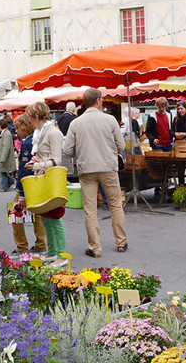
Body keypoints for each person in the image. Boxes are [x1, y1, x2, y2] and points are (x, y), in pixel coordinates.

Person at [64, 88, 128, 258]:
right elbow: (121, 146)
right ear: (99, 100)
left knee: (90, 209)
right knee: (115, 204)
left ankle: (95, 247)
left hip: (87, 169)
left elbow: (67, 150)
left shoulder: (76, 123)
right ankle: (121, 242)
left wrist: (81, 150)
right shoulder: (110, 120)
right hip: (108, 167)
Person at [25, 101, 68, 267]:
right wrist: (37, 161)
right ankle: (52, 251)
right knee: (47, 218)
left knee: (55, 219)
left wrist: (38, 165)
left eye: (30, 117)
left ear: (36, 116)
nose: (29, 121)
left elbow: (57, 159)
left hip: (51, 180)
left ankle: (62, 254)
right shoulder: (41, 132)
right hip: (44, 178)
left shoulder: (53, 133)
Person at [13, 114, 47, 254]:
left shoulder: (27, 143)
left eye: (17, 128)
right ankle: (41, 244)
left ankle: (22, 247)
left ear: (23, 127)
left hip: (27, 185)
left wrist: (21, 192)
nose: (16, 131)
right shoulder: (37, 139)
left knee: (16, 213)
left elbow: (24, 168)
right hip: (38, 182)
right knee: (38, 214)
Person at [0, 118, 16, 191]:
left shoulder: (6, 134)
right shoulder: (5, 133)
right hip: (2, 156)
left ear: (0, 126)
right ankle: (8, 183)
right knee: (2, 171)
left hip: (4, 157)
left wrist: (2, 158)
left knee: (2, 171)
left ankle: (6, 186)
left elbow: (5, 147)